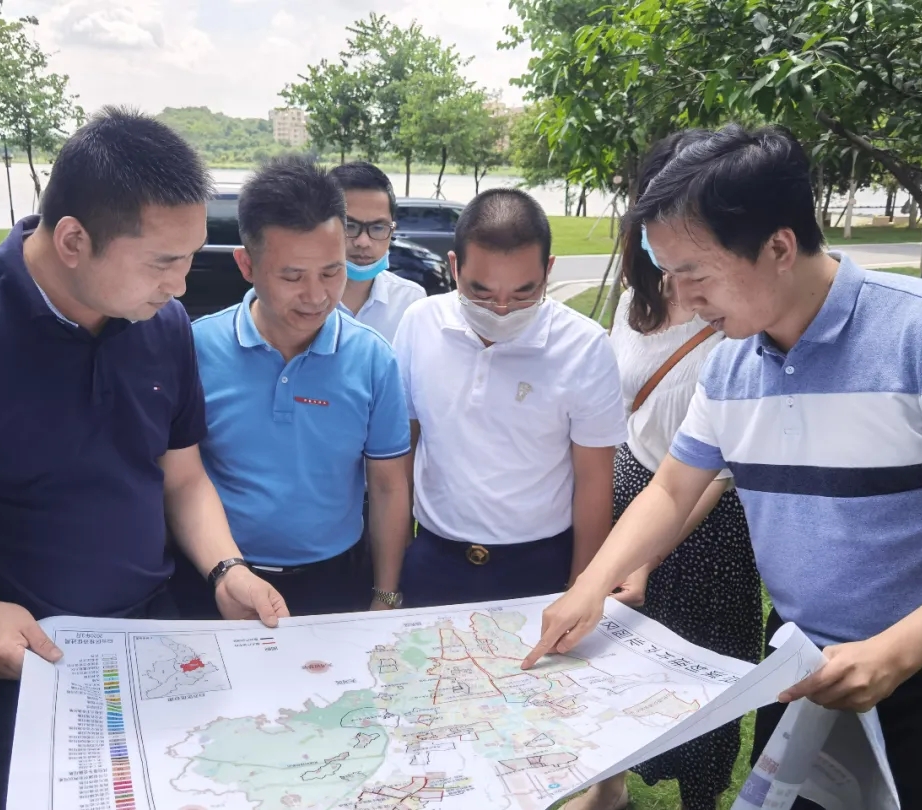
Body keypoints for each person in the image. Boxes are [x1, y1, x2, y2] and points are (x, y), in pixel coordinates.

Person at [0, 107, 288, 810]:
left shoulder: (161, 326)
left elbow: (181, 476)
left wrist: (225, 568)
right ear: (73, 240)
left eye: (188, 258)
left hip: (147, 648)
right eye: (163, 262)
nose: (181, 285)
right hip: (7, 668)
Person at [525, 124, 922, 810]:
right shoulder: (731, 368)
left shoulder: (919, 337)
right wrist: (589, 587)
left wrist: (898, 651)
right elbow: (672, 487)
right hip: (803, 671)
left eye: (696, 274)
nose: (683, 298)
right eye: (668, 274)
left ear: (779, 247)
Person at [567, 133, 763, 810]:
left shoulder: (739, 316)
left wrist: (648, 556)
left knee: (698, 677)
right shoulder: (635, 299)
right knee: (615, 664)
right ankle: (609, 786)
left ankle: (699, 796)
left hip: (705, 529)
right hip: (631, 500)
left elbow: (711, 471)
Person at [179, 155, 412, 617]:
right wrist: (224, 570)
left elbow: (388, 486)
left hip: (335, 581)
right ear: (246, 264)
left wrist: (385, 595)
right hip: (218, 576)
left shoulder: (373, 359)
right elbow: (182, 479)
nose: (316, 296)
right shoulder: (195, 349)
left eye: (332, 271)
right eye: (292, 276)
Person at [393, 188, 626, 607]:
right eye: (481, 293)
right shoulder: (420, 324)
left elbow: (594, 481)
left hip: (540, 564)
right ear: (454, 267)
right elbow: (404, 449)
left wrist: (581, 590)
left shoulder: (584, 347)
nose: (501, 310)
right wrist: (394, 568)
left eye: (523, 294)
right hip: (434, 558)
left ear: (548, 270)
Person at [330, 161, 426, 343]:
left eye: (378, 228)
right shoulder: (300, 301)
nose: (363, 242)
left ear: (392, 230)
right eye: (349, 226)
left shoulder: (411, 302)